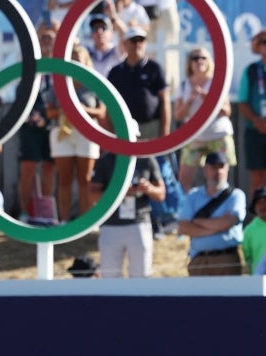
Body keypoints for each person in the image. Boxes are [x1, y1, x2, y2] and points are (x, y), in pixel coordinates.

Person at [47, 43, 103, 223]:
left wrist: (80, 110)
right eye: (72, 60)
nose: (76, 64)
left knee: (85, 179)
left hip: (87, 134)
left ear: (86, 61)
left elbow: (101, 112)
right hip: (62, 132)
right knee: (64, 179)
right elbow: (50, 111)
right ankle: (63, 220)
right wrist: (65, 111)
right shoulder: (58, 82)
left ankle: (86, 221)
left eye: (79, 60)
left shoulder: (93, 83)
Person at [90, 153, 164, 278]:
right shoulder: (106, 160)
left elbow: (161, 194)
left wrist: (148, 188)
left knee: (141, 276)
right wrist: (118, 192)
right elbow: (92, 195)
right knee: (110, 277)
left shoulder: (146, 158)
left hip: (139, 222)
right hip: (110, 225)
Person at [174, 47, 234, 191]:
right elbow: (178, 116)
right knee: (184, 179)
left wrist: (209, 98)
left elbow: (226, 111)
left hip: (217, 135)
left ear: (209, 62)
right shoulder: (183, 85)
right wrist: (190, 99)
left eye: (203, 58)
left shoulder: (216, 83)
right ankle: (186, 210)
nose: (199, 61)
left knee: (220, 177)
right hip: (195, 137)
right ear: (189, 63)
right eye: (195, 58)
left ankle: (221, 209)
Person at [176, 152, 246, 276]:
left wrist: (197, 222)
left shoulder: (236, 195)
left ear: (227, 169)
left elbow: (228, 222)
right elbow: (183, 227)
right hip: (199, 260)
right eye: (213, 167)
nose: (218, 171)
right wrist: (216, 228)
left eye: (221, 166)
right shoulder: (193, 195)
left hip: (226, 258)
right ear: (205, 170)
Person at [17, 21, 57, 220]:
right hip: (30, 125)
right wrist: (33, 114)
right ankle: (25, 210)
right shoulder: (29, 64)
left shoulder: (61, 65)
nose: (47, 42)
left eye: (51, 37)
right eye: (43, 38)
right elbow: (21, 92)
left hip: (53, 124)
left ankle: (46, 211)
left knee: (50, 167)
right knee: (28, 168)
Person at [107, 26, 169, 141]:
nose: (137, 44)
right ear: (125, 44)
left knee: (155, 159)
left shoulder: (155, 68)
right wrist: (110, 131)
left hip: (151, 126)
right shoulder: (116, 71)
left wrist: (165, 129)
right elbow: (109, 103)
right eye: (133, 40)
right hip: (123, 127)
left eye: (141, 40)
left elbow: (164, 99)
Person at [237, 29, 266, 197]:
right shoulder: (252, 70)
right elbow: (242, 101)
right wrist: (257, 120)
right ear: (258, 46)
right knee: (257, 177)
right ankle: (257, 218)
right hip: (256, 130)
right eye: (265, 42)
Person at [85, 14, 122, 78]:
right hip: (91, 87)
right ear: (91, 34)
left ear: (111, 32)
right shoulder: (86, 51)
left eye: (104, 27)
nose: (99, 31)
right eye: (95, 28)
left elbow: (127, 39)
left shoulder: (117, 50)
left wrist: (114, 17)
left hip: (113, 87)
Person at [242, 187, 266, 275]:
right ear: (255, 208)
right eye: (259, 203)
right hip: (259, 281)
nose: (263, 205)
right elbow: (245, 257)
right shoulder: (249, 230)